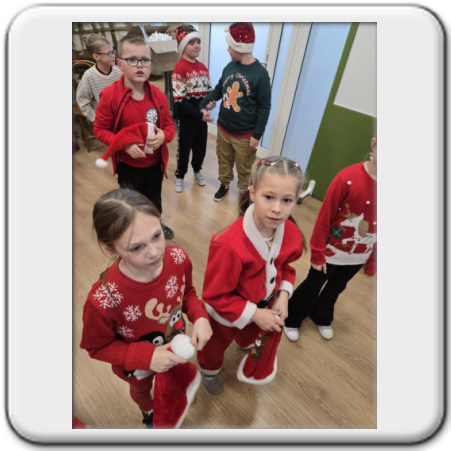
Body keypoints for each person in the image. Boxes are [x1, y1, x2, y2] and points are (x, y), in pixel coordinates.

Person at [80, 189, 213, 428]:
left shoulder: (178, 259)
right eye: (136, 248)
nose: (154, 252)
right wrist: (147, 357)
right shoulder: (103, 299)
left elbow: (187, 293)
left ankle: (176, 392)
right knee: (141, 390)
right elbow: (96, 347)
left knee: (174, 376)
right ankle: (148, 411)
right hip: (137, 367)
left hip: (175, 346)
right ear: (111, 249)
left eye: (157, 235)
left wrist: (200, 316)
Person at [197, 156, 306, 393]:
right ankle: (208, 371)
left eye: (287, 200)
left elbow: (286, 266)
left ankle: (244, 341)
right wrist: (254, 313)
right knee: (214, 347)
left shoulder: (291, 233)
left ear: (296, 199)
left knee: (251, 337)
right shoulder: (228, 245)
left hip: (264, 307)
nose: (277, 209)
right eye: (269, 197)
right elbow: (214, 295)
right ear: (253, 192)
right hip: (226, 313)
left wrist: (284, 295)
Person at [284, 135, 377, 342]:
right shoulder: (347, 178)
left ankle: (321, 315)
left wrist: (372, 260)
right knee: (313, 285)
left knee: (337, 287)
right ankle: (292, 317)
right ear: (374, 144)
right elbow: (324, 217)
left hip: (359, 255)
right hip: (331, 251)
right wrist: (318, 253)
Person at [94, 35, 176, 239]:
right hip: (128, 167)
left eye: (145, 60)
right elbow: (100, 130)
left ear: (151, 64)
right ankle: (136, 231)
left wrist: (164, 136)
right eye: (132, 59)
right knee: (132, 203)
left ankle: (156, 225)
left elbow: (169, 126)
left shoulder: (159, 95)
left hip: (155, 165)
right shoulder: (109, 96)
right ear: (119, 64)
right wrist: (124, 144)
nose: (140, 65)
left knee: (154, 199)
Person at [198, 22, 271, 202]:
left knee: (244, 166)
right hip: (224, 129)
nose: (228, 50)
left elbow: (264, 107)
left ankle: (244, 191)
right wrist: (205, 102)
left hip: (245, 136)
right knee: (224, 160)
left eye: (230, 46)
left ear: (240, 47)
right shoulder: (230, 67)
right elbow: (219, 89)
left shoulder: (260, 74)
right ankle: (224, 184)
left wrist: (257, 135)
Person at [172, 25, 216, 193]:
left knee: (200, 148)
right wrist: (199, 114)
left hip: (201, 118)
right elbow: (180, 101)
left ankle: (197, 170)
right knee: (184, 149)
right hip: (187, 119)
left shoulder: (203, 67)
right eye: (192, 43)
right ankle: (180, 175)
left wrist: (210, 103)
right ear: (183, 46)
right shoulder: (180, 69)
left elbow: (209, 92)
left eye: (198, 42)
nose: (197, 45)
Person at [76, 33, 122, 125]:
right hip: (105, 123)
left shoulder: (120, 72)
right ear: (96, 56)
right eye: (109, 53)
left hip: (123, 120)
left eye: (113, 51)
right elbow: (82, 101)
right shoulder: (89, 76)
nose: (113, 55)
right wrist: (96, 119)